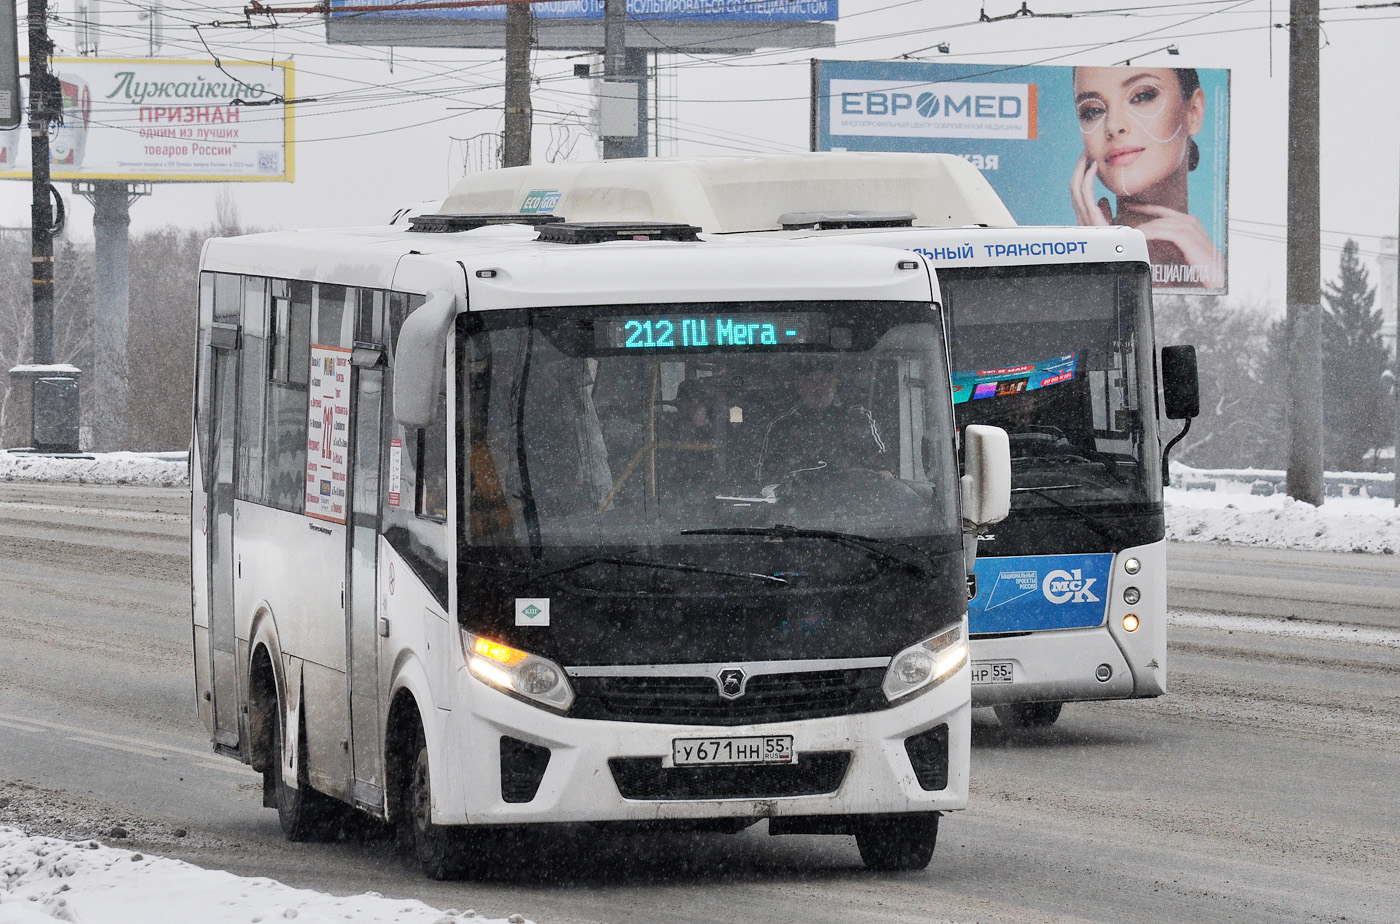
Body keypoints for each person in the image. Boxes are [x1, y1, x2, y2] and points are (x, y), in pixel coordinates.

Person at [1070, 66, 1223, 290]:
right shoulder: (1064, 275)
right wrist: (1099, 264)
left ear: (1194, 112)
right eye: (1092, 111)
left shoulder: (1240, 276)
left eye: (1141, 96)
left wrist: (1220, 282)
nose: (1113, 126)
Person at [756, 360, 886, 483]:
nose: (819, 387)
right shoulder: (781, 426)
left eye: (825, 380)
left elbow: (884, 470)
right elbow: (767, 480)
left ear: (835, 383)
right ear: (799, 386)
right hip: (799, 502)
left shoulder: (858, 418)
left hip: (853, 501)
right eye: (811, 381)